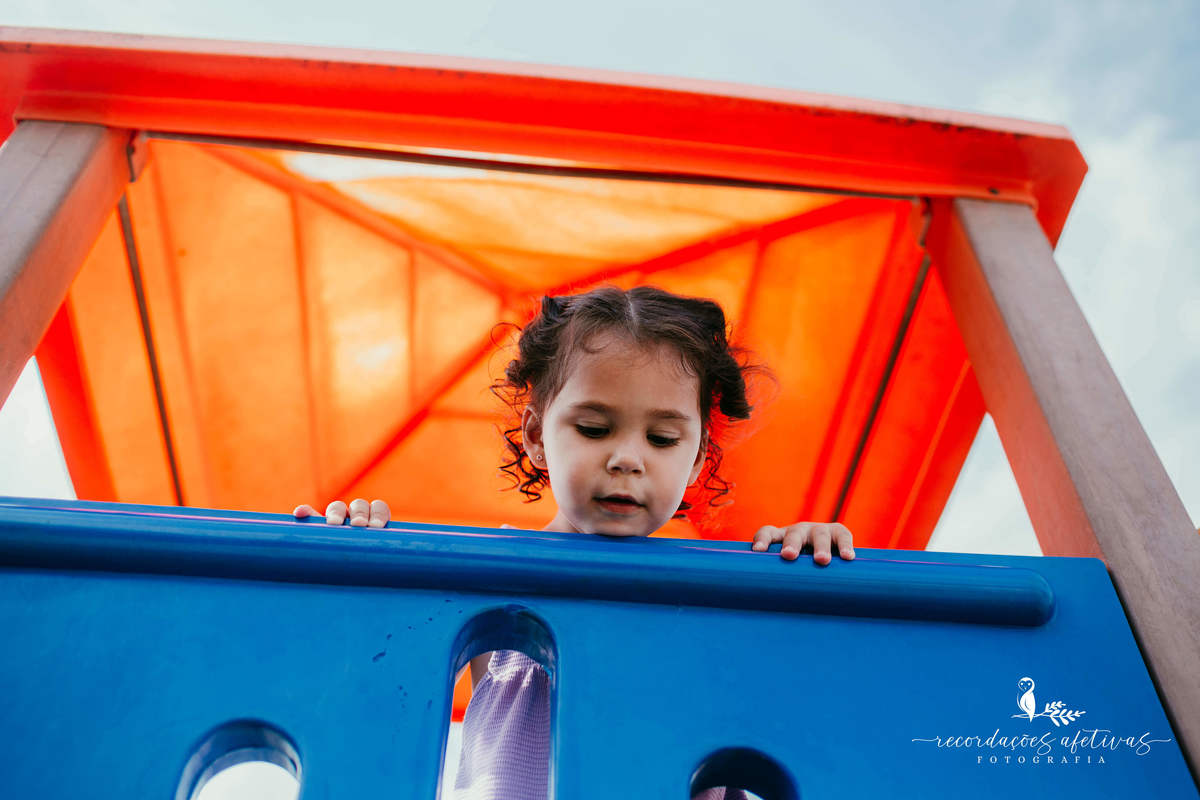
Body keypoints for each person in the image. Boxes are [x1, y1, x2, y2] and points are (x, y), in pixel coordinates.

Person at [295, 286, 856, 799]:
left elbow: (795, 697)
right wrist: (357, 550)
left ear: (697, 460)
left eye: (662, 438)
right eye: (594, 428)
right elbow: (372, 661)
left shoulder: (720, 597)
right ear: (538, 436)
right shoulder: (492, 576)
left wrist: (808, 562)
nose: (627, 458)